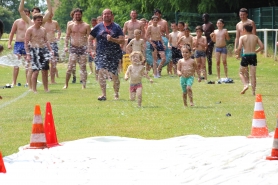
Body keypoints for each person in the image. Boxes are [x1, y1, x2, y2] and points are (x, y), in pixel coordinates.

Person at [88, 8, 124, 100]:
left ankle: (116, 94)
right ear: (102, 16)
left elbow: (122, 40)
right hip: (101, 53)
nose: (106, 15)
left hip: (114, 53)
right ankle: (103, 94)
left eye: (108, 14)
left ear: (111, 16)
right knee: (101, 71)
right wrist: (91, 50)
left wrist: (113, 39)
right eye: (105, 14)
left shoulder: (116, 27)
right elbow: (90, 38)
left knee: (114, 74)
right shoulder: (98, 27)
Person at [24, 13, 53, 93]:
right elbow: (26, 42)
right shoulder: (30, 30)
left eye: (41, 20)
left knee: (45, 70)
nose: (40, 21)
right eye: (38, 20)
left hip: (43, 50)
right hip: (33, 50)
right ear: (34, 21)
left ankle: (46, 88)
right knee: (36, 71)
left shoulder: (43, 29)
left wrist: (51, 50)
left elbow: (46, 41)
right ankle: (34, 89)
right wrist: (28, 54)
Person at [64, 8, 91, 89]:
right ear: (73, 15)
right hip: (73, 47)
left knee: (83, 67)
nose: (77, 16)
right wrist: (65, 46)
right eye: (76, 14)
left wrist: (89, 48)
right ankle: (66, 84)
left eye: (79, 14)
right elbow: (67, 36)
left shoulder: (86, 25)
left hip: (83, 48)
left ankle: (84, 85)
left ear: (81, 15)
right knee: (70, 67)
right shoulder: (70, 25)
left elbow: (90, 38)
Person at [235, 23, 264, 95]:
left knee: (241, 72)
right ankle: (253, 92)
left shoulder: (242, 37)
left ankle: (245, 85)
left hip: (245, 55)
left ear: (244, 30)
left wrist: (237, 52)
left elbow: (239, 48)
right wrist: (256, 51)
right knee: (253, 74)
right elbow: (262, 46)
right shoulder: (255, 37)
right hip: (253, 55)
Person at [8, 8, 30, 87]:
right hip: (18, 44)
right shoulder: (17, 22)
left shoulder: (30, 22)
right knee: (16, 64)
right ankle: (14, 81)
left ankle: (27, 82)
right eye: (24, 14)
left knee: (27, 63)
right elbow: (12, 33)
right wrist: (9, 44)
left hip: (27, 44)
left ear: (29, 14)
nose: (25, 15)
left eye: (26, 14)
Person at [43, 12, 61, 84]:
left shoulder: (55, 22)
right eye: (48, 15)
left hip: (53, 43)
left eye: (51, 15)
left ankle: (52, 80)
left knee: (53, 62)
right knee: (46, 62)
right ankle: (46, 79)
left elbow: (59, 30)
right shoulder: (43, 23)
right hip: (45, 44)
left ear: (52, 15)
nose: (49, 16)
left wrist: (58, 37)